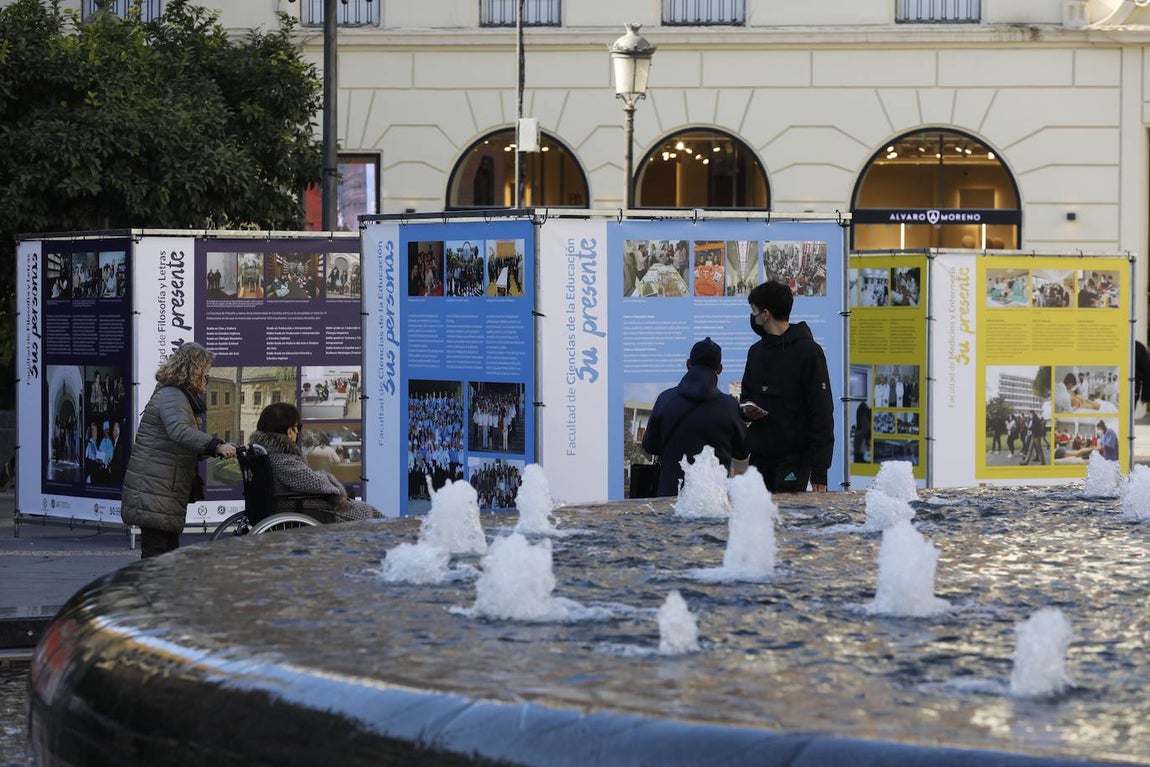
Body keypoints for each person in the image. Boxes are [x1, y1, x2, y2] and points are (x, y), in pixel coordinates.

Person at [121, 343, 237, 558]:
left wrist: (212, 450)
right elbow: (179, 431)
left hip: (161, 486)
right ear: (194, 370)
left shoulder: (177, 395)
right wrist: (216, 445)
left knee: (165, 555)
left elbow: (180, 442)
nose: (206, 378)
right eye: (205, 372)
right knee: (156, 557)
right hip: (156, 487)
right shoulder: (172, 395)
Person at [740, 280, 835, 492]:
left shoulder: (809, 352)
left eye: (754, 311)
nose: (753, 317)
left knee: (786, 512)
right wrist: (746, 410)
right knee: (756, 512)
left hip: (794, 458)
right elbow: (746, 395)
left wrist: (820, 470)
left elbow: (822, 413)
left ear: (766, 314)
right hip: (760, 456)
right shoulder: (755, 352)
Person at [641, 337, 749, 497]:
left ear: (688, 364)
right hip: (713, 500)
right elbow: (742, 452)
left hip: (670, 496)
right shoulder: (730, 406)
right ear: (719, 369)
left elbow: (650, 446)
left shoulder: (666, 399)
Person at [250, 402, 382, 522]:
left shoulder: (265, 453)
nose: (298, 432)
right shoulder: (281, 458)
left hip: (286, 503)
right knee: (366, 510)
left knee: (352, 497)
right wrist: (331, 480)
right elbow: (313, 483)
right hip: (296, 506)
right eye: (298, 427)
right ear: (289, 432)